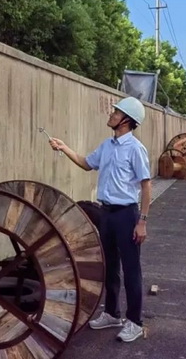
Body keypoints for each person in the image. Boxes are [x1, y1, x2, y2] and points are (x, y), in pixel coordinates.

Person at [49, 97, 152, 343]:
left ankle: (135, 322)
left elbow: (146, 186)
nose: (111, 114)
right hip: (106, 213)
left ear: (126, 120)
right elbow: (87, 164)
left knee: (131, 269)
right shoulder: (107, 145)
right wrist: (64, 148)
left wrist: (142, 221)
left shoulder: (135, 149)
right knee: (110, 265)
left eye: (116, 112)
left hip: (126, 214)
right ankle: (112, 313)